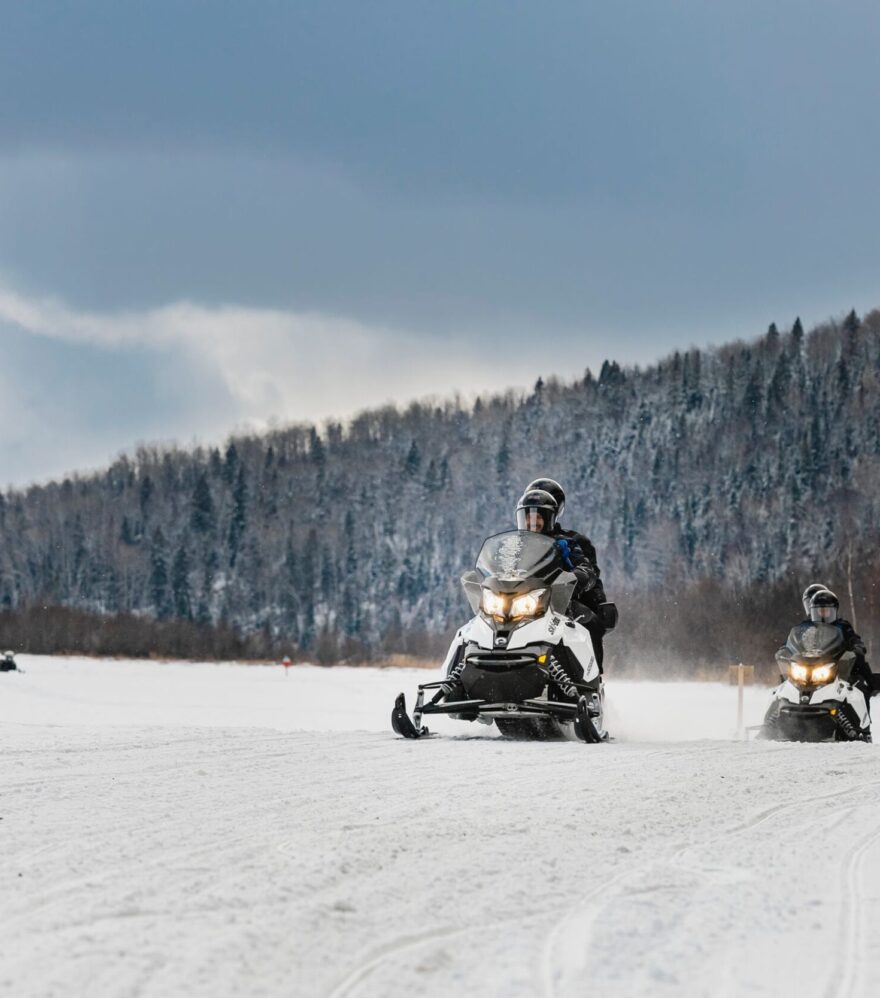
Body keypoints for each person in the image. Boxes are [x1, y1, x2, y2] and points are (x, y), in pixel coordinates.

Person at [516, 487, 609, 668]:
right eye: (528, 517)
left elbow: (586, 567)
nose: (532, 522)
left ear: (549, 518)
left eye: (538, 517)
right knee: (478, 626)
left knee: (589, 622)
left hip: (557, 600)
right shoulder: (513, 547)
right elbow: (495, 565)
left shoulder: (565, 542)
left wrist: (576, 574)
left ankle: (590, 678)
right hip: (518, 599)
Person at [807, 590, 874, 708]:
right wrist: (786, 649)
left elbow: (854, 639)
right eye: (819, 611)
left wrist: (857, 647)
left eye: (826, 611)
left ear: (834, 611)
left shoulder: (843, 626)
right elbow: (797, 640)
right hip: (813, 666)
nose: (822, 614)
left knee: (859, 685)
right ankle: (774, 719)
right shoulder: (810, 629)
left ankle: (862, 723)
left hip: (839, 666)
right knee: (788, 686)